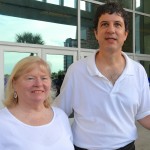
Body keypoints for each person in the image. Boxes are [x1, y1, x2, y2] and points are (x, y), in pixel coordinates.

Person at [53, 2, 150, 150]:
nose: (111, 30)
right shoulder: (77, 71)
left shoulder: (138, 71)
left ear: (125, 34)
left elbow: (144, 114)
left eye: (117, 24)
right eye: (104, 24)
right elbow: (58, 113)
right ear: (96, 33)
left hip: (127, 147)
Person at [0, 56, 74, 150]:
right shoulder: (2, 122)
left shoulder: (61, 116)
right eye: (30, 78)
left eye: (44, 78)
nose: (39, 84)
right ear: (14, 83)